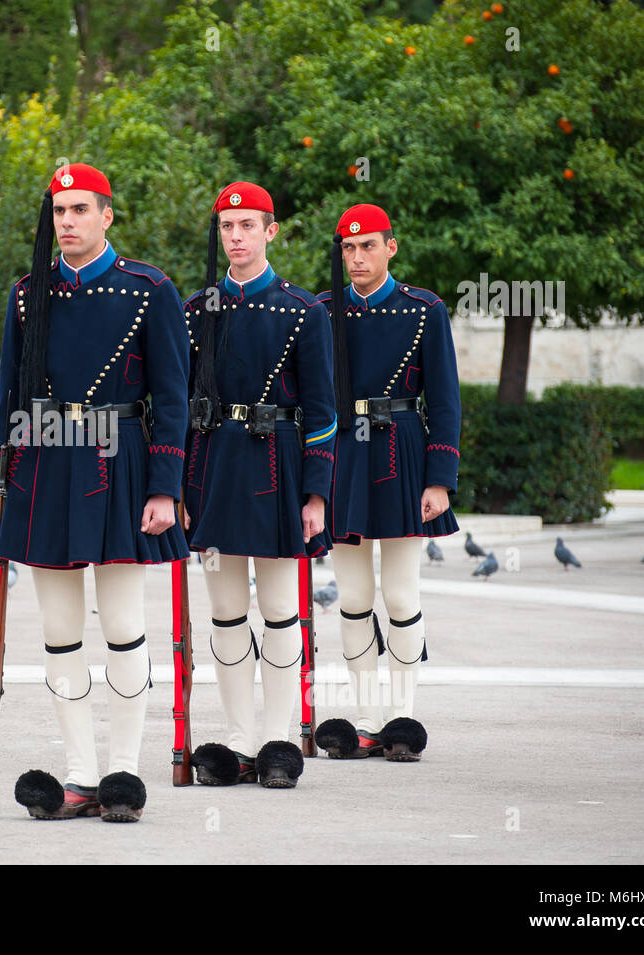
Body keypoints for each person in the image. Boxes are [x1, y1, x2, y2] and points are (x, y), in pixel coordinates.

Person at [0, 163, 190, 821]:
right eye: (58, 211)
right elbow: (9, 401)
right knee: (59, 631)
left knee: (126, 627)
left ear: (107, 215)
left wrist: (165, 487)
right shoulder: (27, 295)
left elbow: (173, 398)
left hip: (121, 462)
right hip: (44, 466)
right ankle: (79, 775)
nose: (67, 221)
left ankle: (124, 774)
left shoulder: (148, 289)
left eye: (80, 209)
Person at [181, 182, 336, 789]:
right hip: (214, 470)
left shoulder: (304, 311)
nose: (236, 237)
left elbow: (323, 412)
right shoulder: (195, 310)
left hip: (278, 469)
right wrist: (178, 488)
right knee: (224, 611)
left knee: (278, 610)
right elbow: (175, 404)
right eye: (227, 227)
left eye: (248, 225)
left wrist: (317, 494)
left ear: (271, 231)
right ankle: (239, 741)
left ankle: (277, 741)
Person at [314, 203, 462, 762]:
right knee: (352, 597)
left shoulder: (424, 310)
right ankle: (366, 717)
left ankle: (403, 716)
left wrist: (440, 478)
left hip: (402, 451)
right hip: (344, 456)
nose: (356, 257)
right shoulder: (323, 310)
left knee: (401, 594)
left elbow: (445, 400)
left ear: (390, 247)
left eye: (367, 246)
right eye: (348, 248)